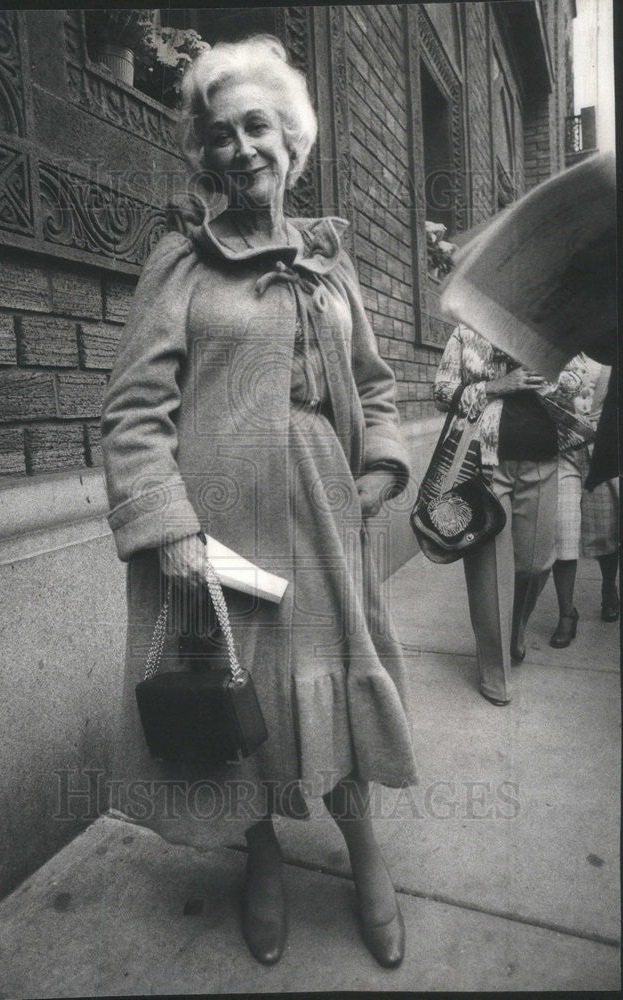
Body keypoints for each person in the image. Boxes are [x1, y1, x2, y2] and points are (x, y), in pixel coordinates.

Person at [101, 35, 416, 969]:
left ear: (292, 140)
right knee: (239, 701)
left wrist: (384, 468)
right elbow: (133, 409)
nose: (241, 148)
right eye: (221, 133)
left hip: (326, 512)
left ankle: (367, 860)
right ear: (203, 151)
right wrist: (167, 527)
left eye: (258, 127)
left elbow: (380, 384)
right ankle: (265, 857)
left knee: (338, 684)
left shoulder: (331, 260)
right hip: (219, 529)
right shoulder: (181, 261)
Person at [434, 326, 592, 706]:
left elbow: (576, 376)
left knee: (536, 564)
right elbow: (441, 390)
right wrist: (495, 386)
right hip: (485, 465)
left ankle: (515, 629)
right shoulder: (466, 330)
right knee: (488, 574)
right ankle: (494, 672)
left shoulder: (545, 321)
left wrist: (538, 369)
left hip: (543, 462)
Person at [551, 361, 619, 646]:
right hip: (562, 450)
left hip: (603, 448)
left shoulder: (609, 345)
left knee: (605, 527)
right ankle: (567, 614)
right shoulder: (556, 343)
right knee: (563, 530)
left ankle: (608, 589)